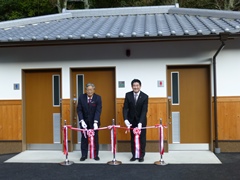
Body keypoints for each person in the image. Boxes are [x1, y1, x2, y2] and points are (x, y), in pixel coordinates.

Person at [123, 79, 148, 162]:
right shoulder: (128, 95)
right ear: (132, 86)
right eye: (134, 85)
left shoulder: (145, 96)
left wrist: (140, 122)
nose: (136, 87)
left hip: (141, 121)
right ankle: (134, 155)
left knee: (142, 138)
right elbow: (125, 108)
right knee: (133, 138)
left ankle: (141, 155)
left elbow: (144, 110)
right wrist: (126, 119)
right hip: (131, 121)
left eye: (137, 85)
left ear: (140, 86)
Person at [77, 83, 102, 161]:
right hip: (84, 122)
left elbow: (98, 111)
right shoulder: (81, 97)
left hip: (94, 122)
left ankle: (95, 155)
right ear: (86, 90)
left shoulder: (98, 98)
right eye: (88, 90)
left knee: (95, 138)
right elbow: (79, 110)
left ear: (94, 90)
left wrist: (95, 122)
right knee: (84, 138)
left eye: (91, 89)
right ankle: (84, 155)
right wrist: (81, 120)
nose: (89, 91)